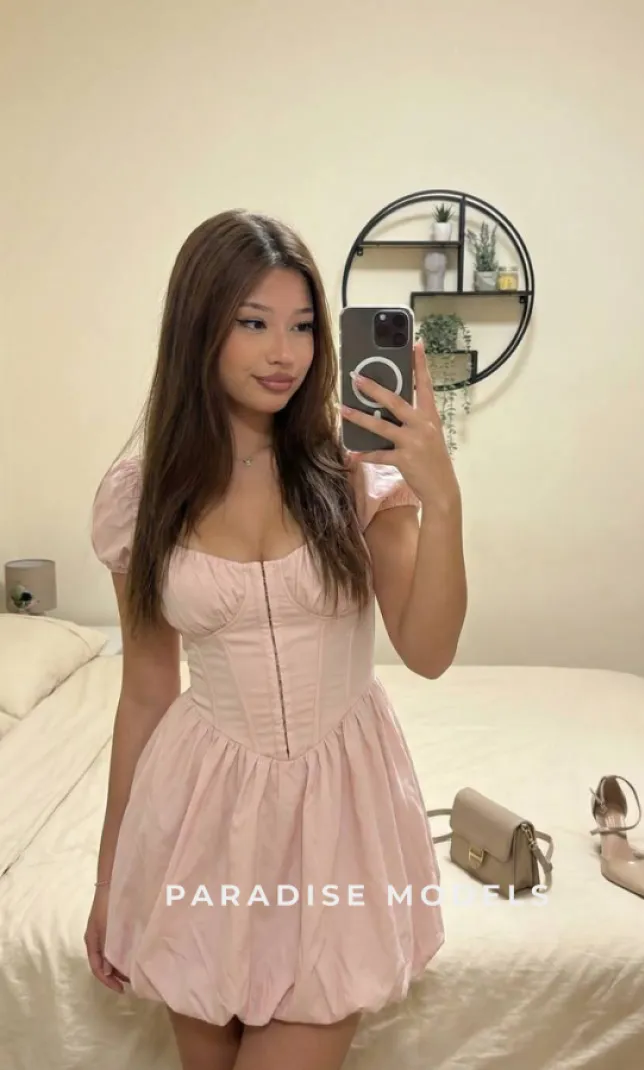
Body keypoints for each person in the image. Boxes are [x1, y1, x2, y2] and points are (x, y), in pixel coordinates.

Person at [84, 209, 467, 1070]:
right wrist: (111, 881)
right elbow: (145, 692)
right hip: (200, 812)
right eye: (253, 323)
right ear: (199, 329)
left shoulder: (356, 473)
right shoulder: (142, 497)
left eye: (302, 326)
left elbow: (430, 650)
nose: (283, 352)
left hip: (341, 806)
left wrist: (442, 499)